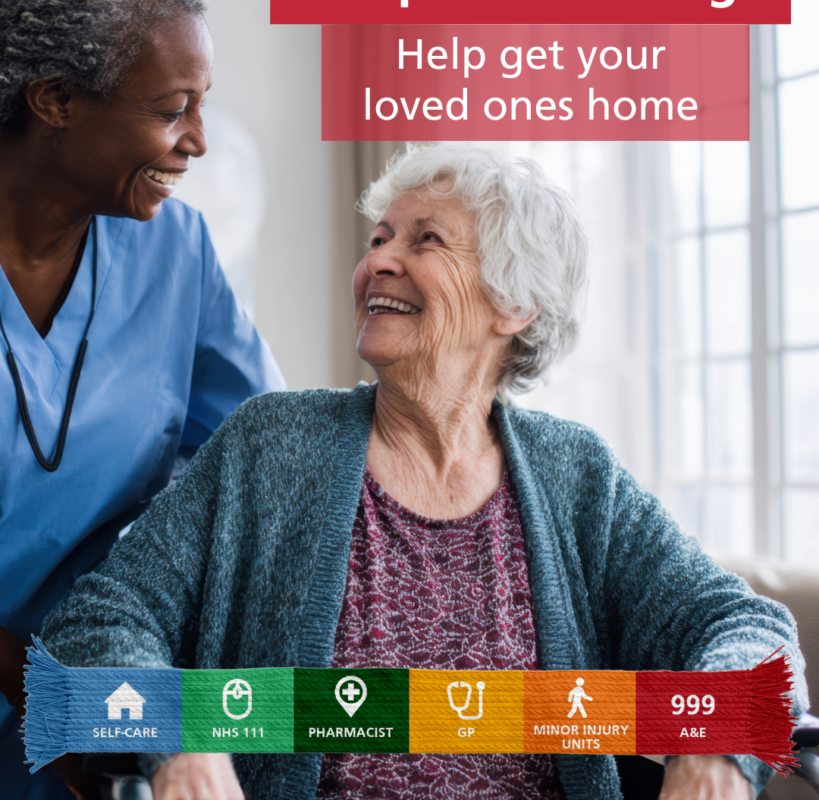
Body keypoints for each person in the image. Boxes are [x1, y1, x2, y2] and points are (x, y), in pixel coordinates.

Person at [41, 146, 806, 800]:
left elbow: (744, 627)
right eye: (378, 237)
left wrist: (718, 734)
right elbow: (97, 622)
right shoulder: (270, 445)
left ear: (513, 305)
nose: (378, 259)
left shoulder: (575, 476)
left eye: (426, 239)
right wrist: (180, 734)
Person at [0, 0, 285, 799]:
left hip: (93, 711)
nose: (199, 141)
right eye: (171, 111)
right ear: (54, 100)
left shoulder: (176, 254)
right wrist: (57, 698)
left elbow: (267, 467)